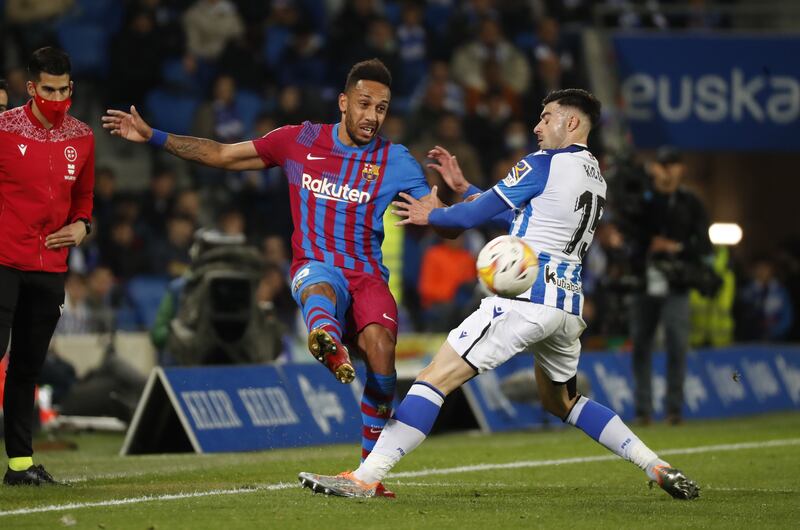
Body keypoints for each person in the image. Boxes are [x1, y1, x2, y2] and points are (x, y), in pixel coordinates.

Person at [298, 89, 700, 501]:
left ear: (572, 123)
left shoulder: (544, 163)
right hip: (566, 308)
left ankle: (365, 478)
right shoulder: (594, 175)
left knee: (433, 380)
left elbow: (473, 216)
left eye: (546, 117)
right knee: (562, 401)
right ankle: (655, 464)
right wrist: (466, 185)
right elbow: (523, 216)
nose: (537, 126)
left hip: (524, 302)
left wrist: (431, 214)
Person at [103, 59, 441, 495]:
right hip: (315, 267)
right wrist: (154, 136)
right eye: (364, 104)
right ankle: (325, 336)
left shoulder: (395, 160)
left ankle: (367, 476)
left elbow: (440, 219)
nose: (372, 116)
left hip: (368, 277)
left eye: (382, 108)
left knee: (382, 357)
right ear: (343, 102)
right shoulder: (299, 140)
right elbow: (223, 155)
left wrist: (442, 209)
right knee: (319, 285)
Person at [0, 47, 94, 486]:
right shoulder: (3, 129)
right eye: (49, 90)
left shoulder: (82, 137)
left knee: (26, 368)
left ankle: (19, 467)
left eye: (64, 89)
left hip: (50, 269)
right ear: (31, 88)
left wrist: (82, 227)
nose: (57, 98)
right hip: (3, 261)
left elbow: (84, 200)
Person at [626, 147, 713, 425]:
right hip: (643, 280)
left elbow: (704, 244)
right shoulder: (644, 199)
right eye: (663, 164)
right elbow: (628, 231)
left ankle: (673, 409)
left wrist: (677, 247)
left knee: (677, 343)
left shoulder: (691, 202)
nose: (668, 170)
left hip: (677, 282)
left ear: (681, 169)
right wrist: (648, 244)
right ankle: (643, 409)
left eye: (673, 164)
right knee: (641, 344)